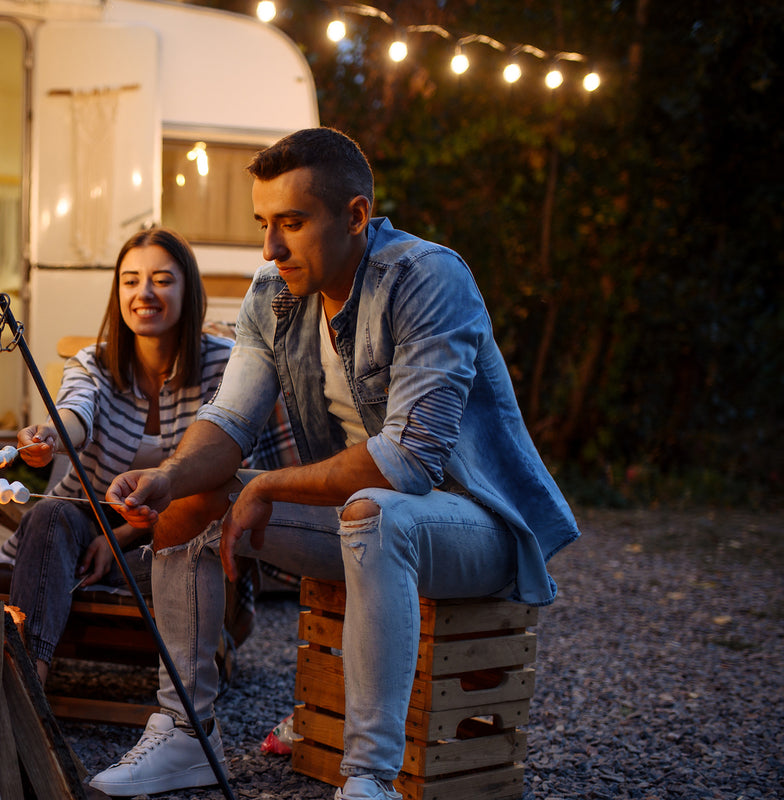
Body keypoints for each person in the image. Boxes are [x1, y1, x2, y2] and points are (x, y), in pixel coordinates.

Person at [96, 128, 581, 800]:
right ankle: (185, 735)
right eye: (264, 224)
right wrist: (169, 476)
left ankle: (368, 781)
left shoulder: (428, 278)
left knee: (377, 512)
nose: (271, 247)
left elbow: (408, 463)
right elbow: (230, 418)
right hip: (361, 520)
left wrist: (267, 484)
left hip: (479, 524)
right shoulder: (275, 292)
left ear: (356, 215)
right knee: (191, 502)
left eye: (291, 223)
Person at [7, 227, 291, 692]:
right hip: (89, 519)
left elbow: (221, 471)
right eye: (131, 280)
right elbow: (76, 411)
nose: (144, 293)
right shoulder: (93, 362)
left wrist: (121, 537)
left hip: (178, 528)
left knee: (186, 546)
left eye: (162, 279)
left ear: (188, 289)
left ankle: (185, 692)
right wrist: (51, 438)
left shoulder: (227, 364)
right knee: (50, 513)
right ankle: (26, 688)